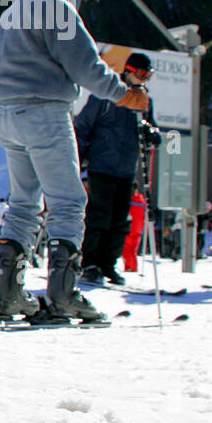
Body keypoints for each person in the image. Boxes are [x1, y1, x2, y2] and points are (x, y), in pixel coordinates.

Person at [0, 0, 149, 322]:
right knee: (69, 202)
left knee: (23, 203)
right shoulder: (56, 9)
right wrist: (124, 94)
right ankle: (63, 294)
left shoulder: (7, 14)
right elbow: (86, 66)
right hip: (45, 115)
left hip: (8, 116)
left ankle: (6, 294)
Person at [74, 52, 156, 286]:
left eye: (148, 75)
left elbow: (150, 127)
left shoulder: (144, 99)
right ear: (129, 70)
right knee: (99, 216)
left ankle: (108, 263)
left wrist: (152, 134)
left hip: (126, 169)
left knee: (121, 221)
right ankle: (89, 263)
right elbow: (83, 126)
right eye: (142, 74)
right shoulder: (107, 94)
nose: (144, 79)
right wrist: (80, 159)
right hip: (102, 166)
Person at [123, 190, 147, 273]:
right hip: (139, 229)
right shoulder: (142, 200)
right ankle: (134, 267)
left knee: (127, 249)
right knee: (134, 250)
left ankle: (128, 267)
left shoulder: (128, 199)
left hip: (129, 228)